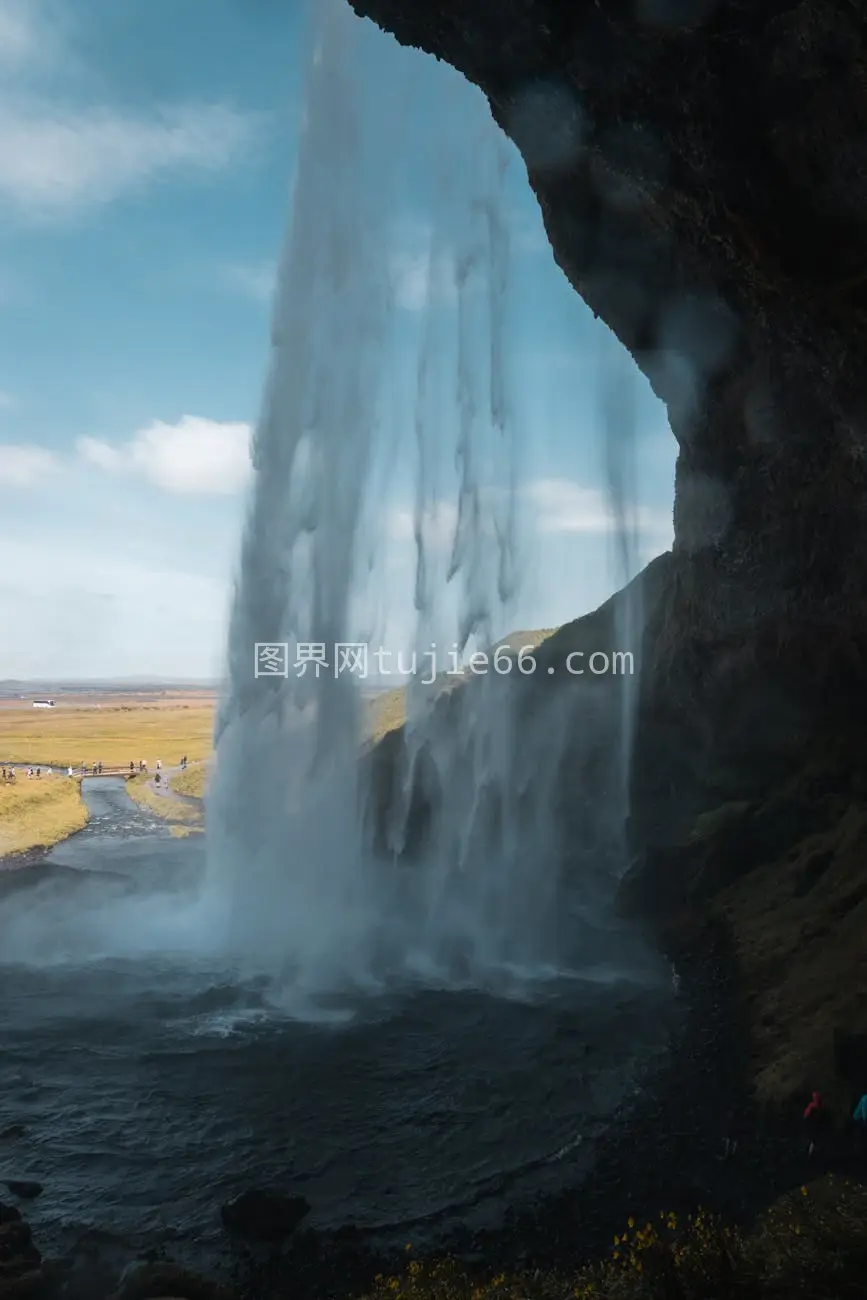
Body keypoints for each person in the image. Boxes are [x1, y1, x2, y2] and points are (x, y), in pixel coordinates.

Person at [804, 1091, 827, 1159]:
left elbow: (806, 1116)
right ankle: (811, 1156)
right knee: (814, 1141)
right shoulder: (814, 1107)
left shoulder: (813, 1106)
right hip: (813, 1126)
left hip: (814, 1126)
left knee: (814, 1141)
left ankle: (811, 1155)